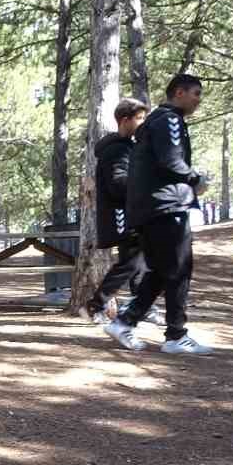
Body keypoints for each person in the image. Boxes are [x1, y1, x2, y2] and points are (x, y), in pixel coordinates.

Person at [105, 74, 213, 356]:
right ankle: (175, 335)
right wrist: (195, 179)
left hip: (150, 209)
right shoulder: (170, 119)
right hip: (166, 207)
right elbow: (171, 159)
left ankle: (125, 322)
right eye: (196, 94)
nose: (198, 100)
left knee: (165, 271)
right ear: (179, 92)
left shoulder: (154, 124)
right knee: (179, 269)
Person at [85, 98, 151, 322]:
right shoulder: (117, 150)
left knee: (138, 262)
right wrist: (146, 186)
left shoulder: (126, 147)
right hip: (122, 215)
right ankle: (96, 305)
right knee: (131, 263)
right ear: (125, 120)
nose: (143, 123)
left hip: (131, 214)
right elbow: (117, 183)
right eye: (139, 118)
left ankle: (140, 306)